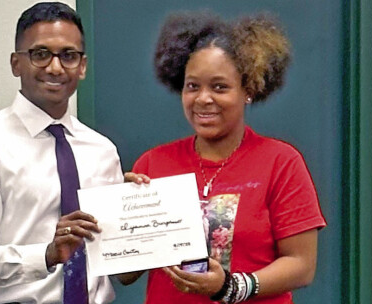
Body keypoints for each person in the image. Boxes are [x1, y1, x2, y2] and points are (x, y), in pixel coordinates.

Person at [119, 11, 327, 304]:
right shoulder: (152, 165)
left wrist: (231, 287)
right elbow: (125, 275)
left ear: (248, 90)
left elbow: (302, 266)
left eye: (219, 87)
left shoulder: (280, 162)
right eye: (193, 86)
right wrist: (126, 218)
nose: (204, 99)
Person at [0, 2, 123, 303]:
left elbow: (117, 260)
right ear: (16, 63)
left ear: (82, 66)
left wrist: (141, 214)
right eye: (41, 54)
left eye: (68, 56)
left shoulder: (103, 151)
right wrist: (47, 254)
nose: (55, 67)